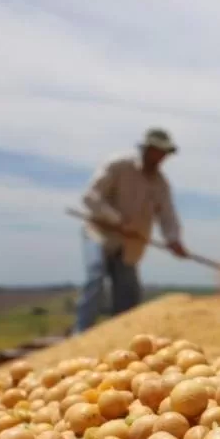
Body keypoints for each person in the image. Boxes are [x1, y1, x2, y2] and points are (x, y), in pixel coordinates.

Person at [73, 127, 189, 333]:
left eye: (164, 154)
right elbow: (90, 197)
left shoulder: (161, 184)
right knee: (96, 276)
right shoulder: (118, 166)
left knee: (128, 293)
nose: (160, 157)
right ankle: (81, 333)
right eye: (157, 151)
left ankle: (122, 338)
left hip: (131, 244)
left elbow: (167, 216)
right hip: (100, 233)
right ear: (146, 149)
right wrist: (117, 220)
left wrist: (174, 240)